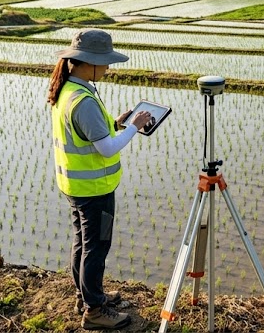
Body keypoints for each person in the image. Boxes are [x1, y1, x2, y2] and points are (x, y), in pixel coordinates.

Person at [48, 29, 152, 331]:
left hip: (75, 185)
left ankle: (87, 296)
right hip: (94, 190)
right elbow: (106, 148)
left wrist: (117, 122)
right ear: (88, 62)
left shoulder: (69, 90)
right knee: (96, 248)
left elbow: (90, 133)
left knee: (82, 242)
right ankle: (94, 311)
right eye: (105, 62)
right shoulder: (84, 100)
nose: (108, 68)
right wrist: (133, 128)